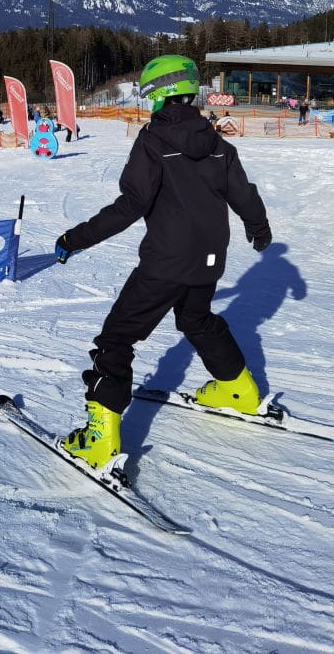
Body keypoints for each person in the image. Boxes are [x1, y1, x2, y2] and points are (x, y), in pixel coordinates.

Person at [54, 54, 272, 470]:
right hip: (209, 260)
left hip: (166, 262)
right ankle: (238, 390)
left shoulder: (153, 141)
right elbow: (244, 194)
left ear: (157, 94)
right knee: (197, 319)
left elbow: (130, 206)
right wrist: (259, 229)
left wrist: (75, 237)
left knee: (116, 339)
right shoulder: (217, 144)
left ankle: (99, 439)